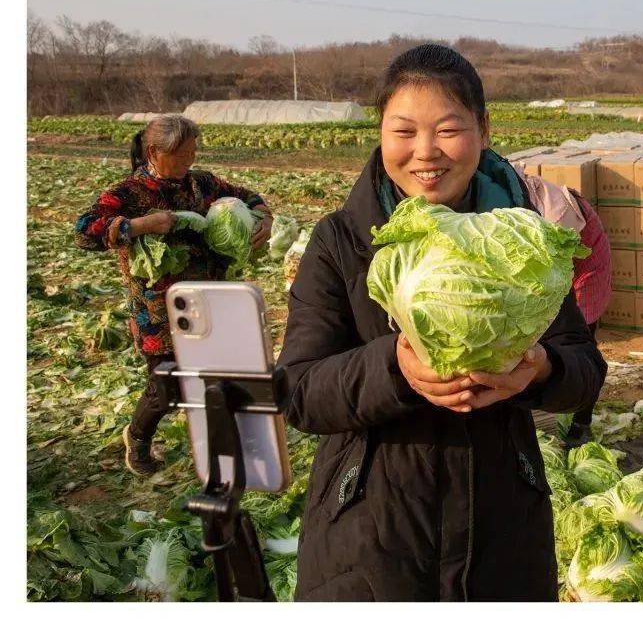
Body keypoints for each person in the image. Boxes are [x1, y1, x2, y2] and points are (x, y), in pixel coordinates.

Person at [278, 44, 607, 601]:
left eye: (448, 129)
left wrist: (541, 371)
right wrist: (395, 368)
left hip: (502, 525)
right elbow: (300, 391)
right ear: (381, 132)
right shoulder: (341, 240)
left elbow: (586, 369)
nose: (425, 152)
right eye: (403, 131)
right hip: (371, 532)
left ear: (483, 127)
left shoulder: (522, 238)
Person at [74, 115, 273, 475]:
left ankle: (223, 445)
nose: (189, 162)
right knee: (167, 385)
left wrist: (263, 217)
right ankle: (136, 437)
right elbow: (84, 230)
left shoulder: (202, 184)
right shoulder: (131, 193)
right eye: (181, 155)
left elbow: (251, 197)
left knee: (217, 376)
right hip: (159, 313)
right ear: (154, 151)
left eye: (193, 153)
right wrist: (139, 225)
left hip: (209, 302)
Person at [513, 169, 612, 443]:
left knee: (581, 341)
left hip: (584, 265)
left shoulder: (552, 215)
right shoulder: (507, 201)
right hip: (556, 268)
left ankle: (582, 423)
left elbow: (552, 268)